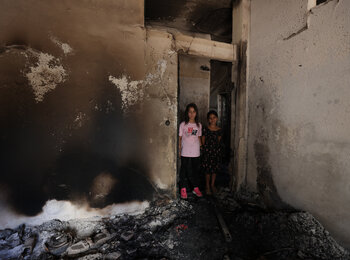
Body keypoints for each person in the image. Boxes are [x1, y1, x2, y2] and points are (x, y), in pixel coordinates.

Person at [178, 103, 203, 199]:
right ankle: (183, 188)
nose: (192, 114)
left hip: (195, 151)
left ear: (196, 113)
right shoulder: (183, 124)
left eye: (193, 112)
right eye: (190, 112)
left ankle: (195, 188)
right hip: (185, 151)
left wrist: (201, 149)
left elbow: (199, 137)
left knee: (195, 171)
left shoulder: (198, 125)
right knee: (184, 170)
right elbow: (180, 138)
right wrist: (180, 150)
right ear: (187, 113)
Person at [201, 110, 222, 195]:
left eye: (214, 118)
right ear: (208, 120)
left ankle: (212, 185)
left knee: (214, 170)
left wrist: (216, 150)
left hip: (216, 152)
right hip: (207, 152)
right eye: (210, 118)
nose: (212, 119)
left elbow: (218, 141)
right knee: (207, 170)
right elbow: (203, 141)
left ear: (216, 118)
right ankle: (207, 186)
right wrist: (205, 150)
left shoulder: (219, 130)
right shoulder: (205, 129)